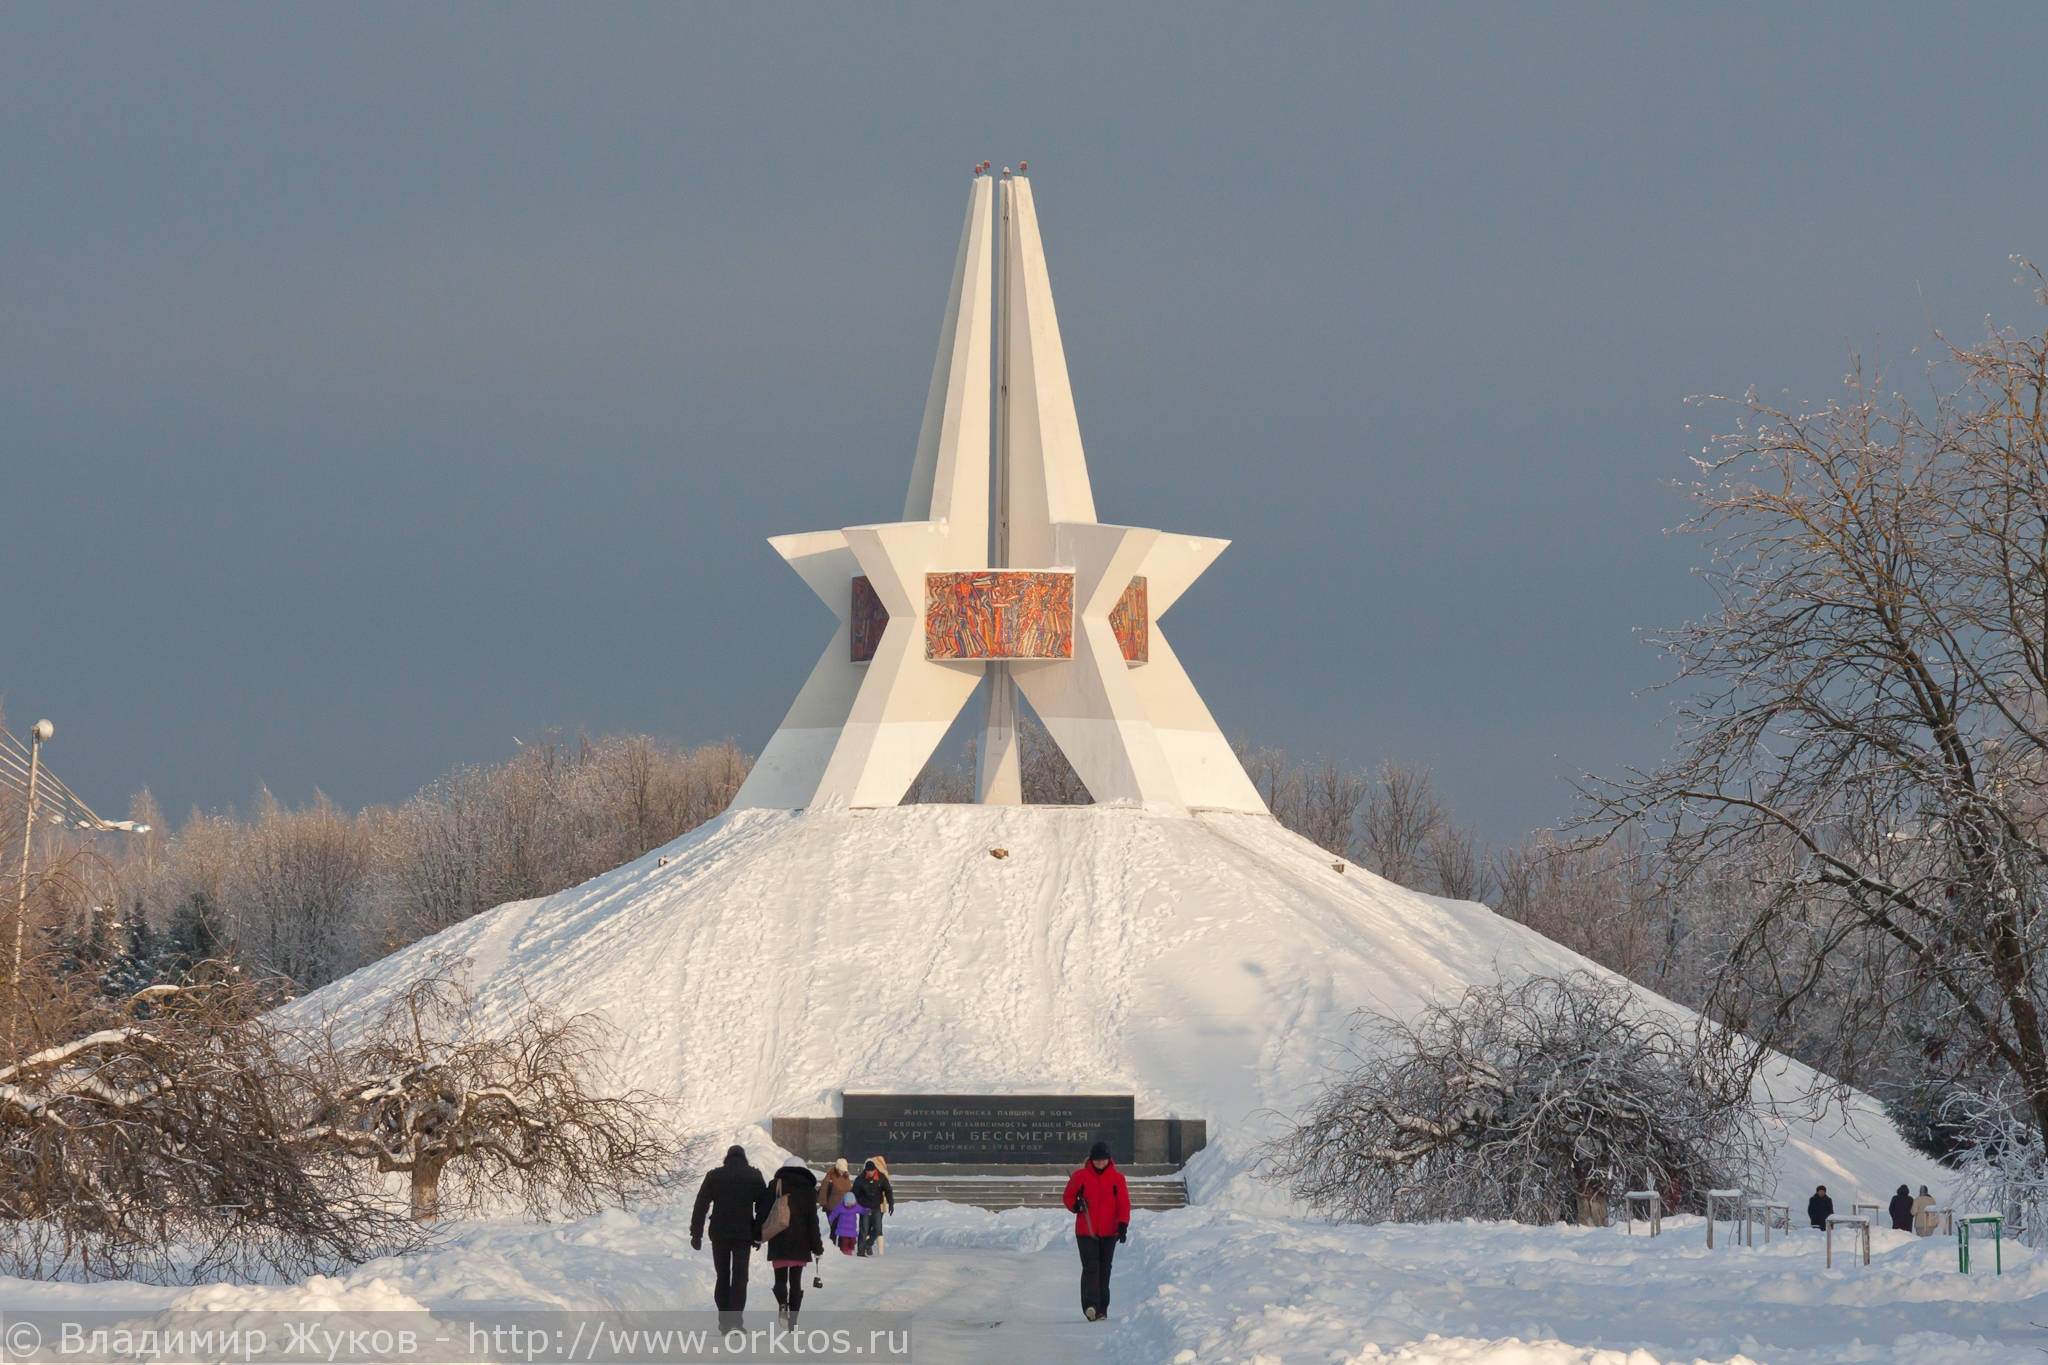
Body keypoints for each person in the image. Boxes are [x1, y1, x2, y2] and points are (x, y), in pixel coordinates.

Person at [691, 1145, 768, 1328]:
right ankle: (735, 1320)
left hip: (719, 1233)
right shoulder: (753, 1175)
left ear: (727, 1158)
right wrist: (758, 1233)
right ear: (744, 1158)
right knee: (740, 1278)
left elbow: (701, 1205)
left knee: (723, 1275)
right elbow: (764, 1207)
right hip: (743, 1234)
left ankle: (724, 1320)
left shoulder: (714, 1176)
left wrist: (696, 1234)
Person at [1062, 1140, 1132, 1323]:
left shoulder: (1117, 1179)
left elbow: (1123, 1203)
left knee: (1105, 1269)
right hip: (1086, 1231)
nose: (1100, 1162)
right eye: (1097, 1159)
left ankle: (1102, 1308)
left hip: (1109, 1231)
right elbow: (1068, 1196)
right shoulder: (1080, 1176)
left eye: (1103, 1159)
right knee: (1091, 1268)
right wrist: (1075, 1205)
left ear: (1109, 1160)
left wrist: (1123, 1224)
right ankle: (1090, 1306)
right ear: (1091, 1160)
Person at [760, 1161, 824, 1327]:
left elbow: (763, 1211)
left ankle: (782, 1303)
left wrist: (756, 1234)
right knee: (796, 1282)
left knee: (780, 1279)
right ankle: (793, 1319)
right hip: (800, 1242)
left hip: (778, 1237)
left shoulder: (776, 1184)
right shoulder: (809, 1191)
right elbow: (812, 1222)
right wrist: (817, 1247)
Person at [854, 1157, 895, 1256]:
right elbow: (854, 1193)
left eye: (871, 1171)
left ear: (875, 1170)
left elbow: (888, 1190)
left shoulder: (881, 1177)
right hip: (864, 1207)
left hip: (876, 1207)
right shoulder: (860, 1179)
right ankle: (861, 1251)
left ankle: (868, 1244)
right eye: (868, 1171)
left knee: (877, 1229)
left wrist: (891, 1203)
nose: (870, 1173)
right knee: (864, 1229)